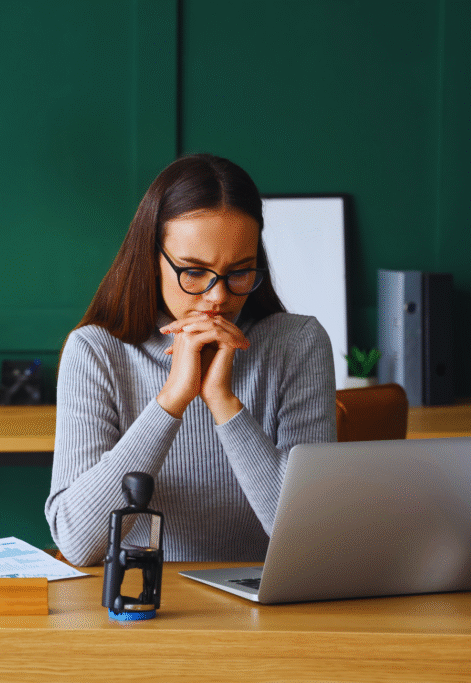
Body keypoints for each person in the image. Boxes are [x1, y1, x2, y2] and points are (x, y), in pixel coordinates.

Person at [45, 153, 336, 566]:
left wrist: (223, 402)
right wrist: (171, 401)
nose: (218, 297)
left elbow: (312, 539)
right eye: (194, 271)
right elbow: (79, 542)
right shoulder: (96, 351)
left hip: (269, 611)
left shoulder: (297, 344)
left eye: (240, 271)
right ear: (151, 258)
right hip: (143, 609)